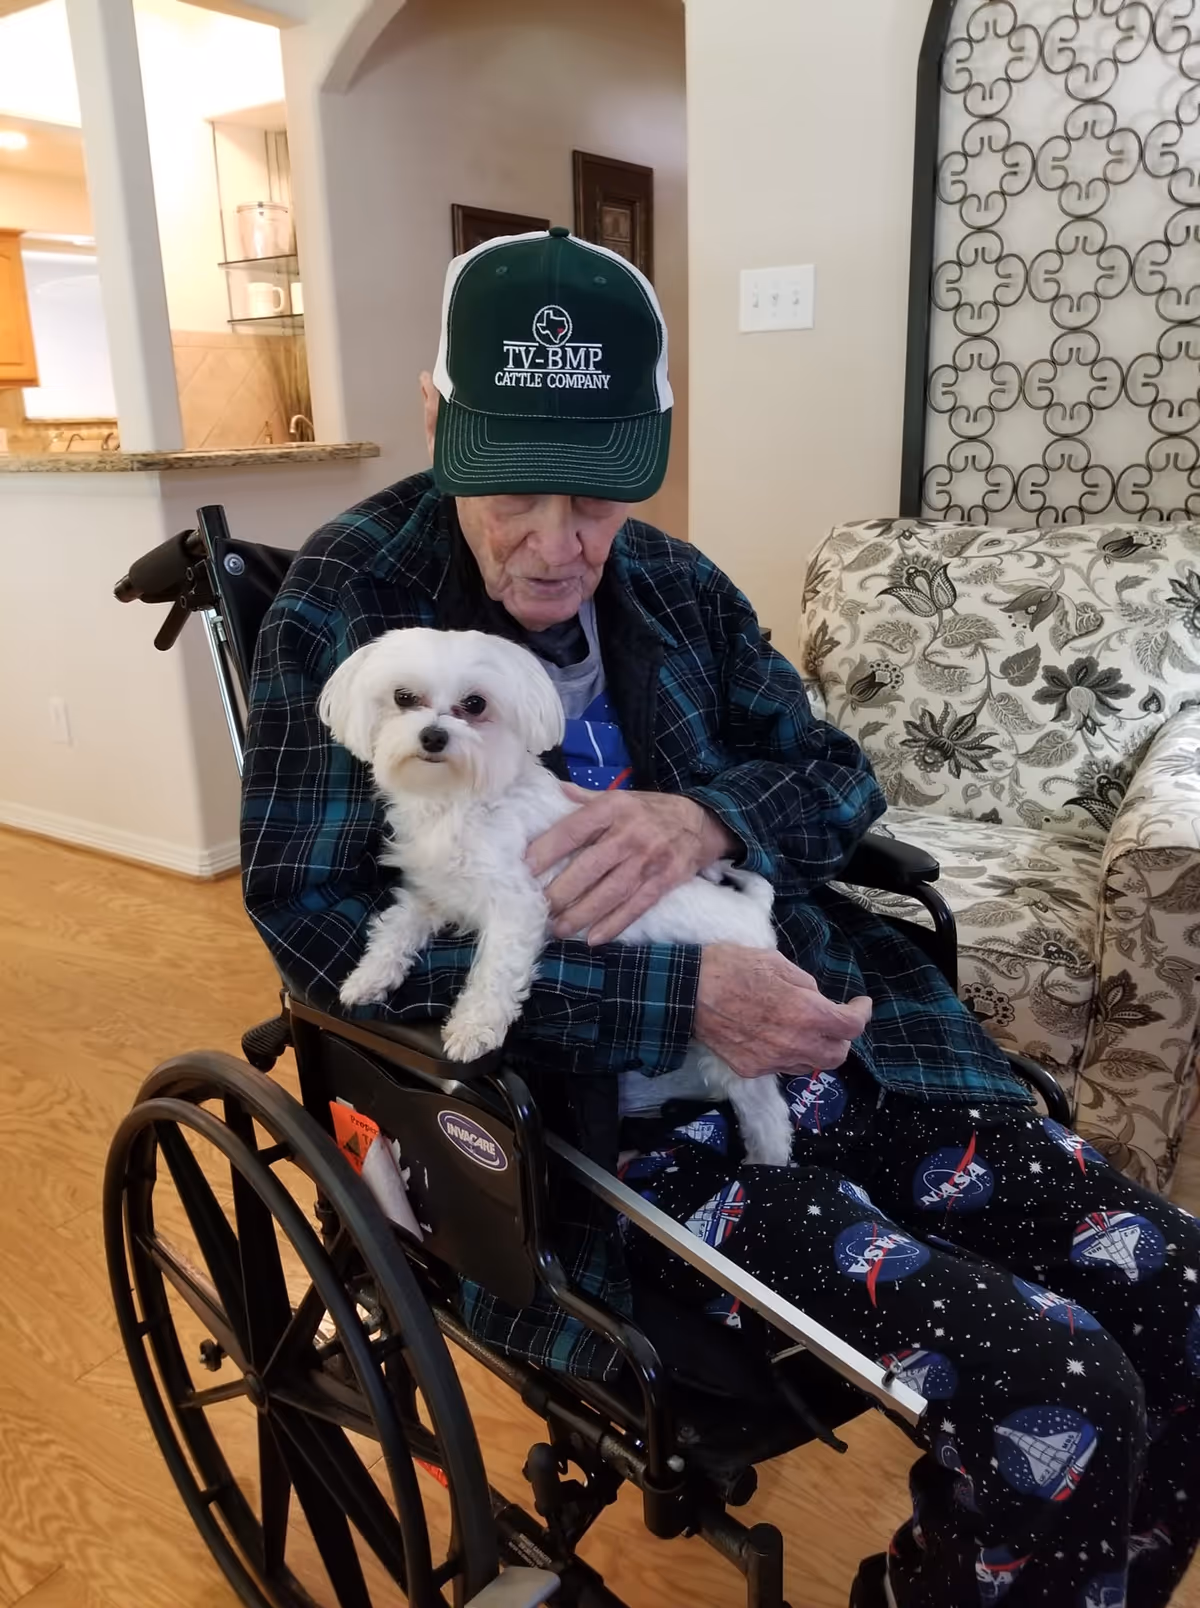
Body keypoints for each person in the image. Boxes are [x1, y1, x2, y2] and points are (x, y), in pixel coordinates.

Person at [242, 228, 1200, 1608]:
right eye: (514, 490)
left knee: (1173, 1293)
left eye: (600, 500)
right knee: (1064, 1390)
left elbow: (838, 772)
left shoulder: (675, 587)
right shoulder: (354, 609)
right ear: (442, 421)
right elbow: (311, 920)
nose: (558, 545)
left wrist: (706, 817)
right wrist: (673, 1003)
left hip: (836, 1035)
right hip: (594, 1127)